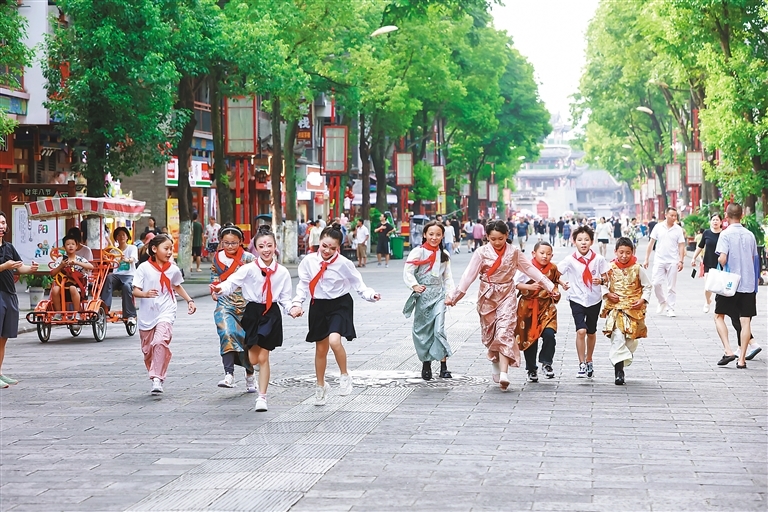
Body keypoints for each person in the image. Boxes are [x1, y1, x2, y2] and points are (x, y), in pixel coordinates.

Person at [446, 221, 556, 391]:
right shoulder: (481, 253)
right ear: (487, 237)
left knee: (505, 330)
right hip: (487, 296)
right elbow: (469, 275)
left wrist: (549, 286)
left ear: (507, 235)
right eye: (493, 239)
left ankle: (504, 373)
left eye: (501, 238)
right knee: (490, 334)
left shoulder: (514, 252)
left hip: (507, 294)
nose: (497, 242)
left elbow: (530, 270)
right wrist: (455, 296)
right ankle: (495, 364)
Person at [290, 224, 381, 406]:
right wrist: (296, 303)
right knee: (321, 349)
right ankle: (320, 386)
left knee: (334, 340)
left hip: (340, 304)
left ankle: (345, 375)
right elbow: (303, 285)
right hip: (318, 305)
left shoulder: (344, 264)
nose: (327, 251)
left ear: (338, 247)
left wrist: (370, 295)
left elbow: (358, 284)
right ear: (319, 242)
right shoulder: (308, 262)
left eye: (332, 248)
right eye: (324, 246)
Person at [211, 226, 292, 412]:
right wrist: (219, 288)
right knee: (254, 358)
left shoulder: (283, 272)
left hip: (271, 314)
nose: (266, 249)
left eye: (269, 245)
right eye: (262, 246)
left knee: (264, 357)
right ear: (255, 247)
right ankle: (249, 369)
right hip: (252, 312)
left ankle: (262, 398)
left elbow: (285, 298)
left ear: (275, 246)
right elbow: (232, 283)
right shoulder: (249, 268)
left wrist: (292, 309)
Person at [132, 234, 196, 394]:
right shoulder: (143, 268)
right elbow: (135, 290)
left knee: (159, 341)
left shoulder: (173, 269)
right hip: (147, 315)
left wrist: (189, 300)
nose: (169, 252)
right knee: (148, 351)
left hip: (166, 310)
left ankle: (157, 378)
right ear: (154, 249)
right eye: (166, 248)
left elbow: (177, 286)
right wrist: (145, 294)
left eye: (171, 249)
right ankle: (154, 373)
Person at [208, 224, 257, 392]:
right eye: (226, 243)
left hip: (246, 304)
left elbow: (258, 279)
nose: (230, 246)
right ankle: (229, 374)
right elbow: (215, 276)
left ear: (241, 242)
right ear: (221, 242)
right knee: (226, 333)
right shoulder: (217, 258)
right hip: (225, 302)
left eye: (234, 243)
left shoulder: (249, 259)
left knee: (245, 339)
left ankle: (250, 374)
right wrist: (214, 289)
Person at [403, 221, 455, 380]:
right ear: (425, 234)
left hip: (438, 296)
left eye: (438, 234)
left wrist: (449, 294)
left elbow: (447, 277)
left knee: (439, 329)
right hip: (423, 296)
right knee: (423, 331)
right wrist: (414, 285)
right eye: (431, 234)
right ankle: (426, 363)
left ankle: (443, 366)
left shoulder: (444, 254)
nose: (434, 237)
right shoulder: (417, 252)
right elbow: (408, 271)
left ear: (442, 236)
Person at [557, 225, 610, 378]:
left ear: (592, 241)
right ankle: (581, 362)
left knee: (591, 332)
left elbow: (608, 276)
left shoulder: (598, 259)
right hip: (576, 299)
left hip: (594, 299)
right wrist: (562, 283)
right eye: (580, 240)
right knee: (581, 331)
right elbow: (556, 273)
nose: (583, 243)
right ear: (574, 241)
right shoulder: (570, 260)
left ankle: (589, 359)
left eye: (586, 239)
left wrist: (601, 280)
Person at [713, 203, 759, 369]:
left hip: (730, 284)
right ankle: (742, 360)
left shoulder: (725, 235)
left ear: (726, 215)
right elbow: (755, 261)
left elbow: (722, 259)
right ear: (742, 215)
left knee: (719, 316)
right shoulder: (750, 235)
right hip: (748, 284)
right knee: (745, 321)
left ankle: (728, 350)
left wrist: (720, 260)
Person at [601, 237, 651, 385]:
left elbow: (648, 286)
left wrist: (642, 300)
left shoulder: (638, 268)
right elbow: (602, 284)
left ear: (632, 252)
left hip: (633, 309)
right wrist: (608, 294)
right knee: (617, 336)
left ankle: (622, 359)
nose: (624, 256)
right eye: (621, 252)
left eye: (627, 253)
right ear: (615, 251)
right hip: (616, 308)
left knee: (631, 339)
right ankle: (619, 371)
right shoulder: (609, 268)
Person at [0, 211, 39, 388]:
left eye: (3, 222)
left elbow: (19, 267)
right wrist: (4, 266)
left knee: (4, 337)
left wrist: (30, 269)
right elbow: (8, 267)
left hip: (10, 294)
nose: (1, 226)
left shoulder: (8, 247)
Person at [515, 241, 563, 382]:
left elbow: (555, 284)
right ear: (533, 253)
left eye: (548, 254)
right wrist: (530, 288)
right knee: (530, 339)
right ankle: (531, 369)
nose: (545, 256)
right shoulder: (526, 267)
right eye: (542, 253)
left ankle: (546, 362)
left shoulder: (553, 268)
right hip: (527, 307)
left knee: (549, 334)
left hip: (547, 307)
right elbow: (515, 284)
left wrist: (556, 294)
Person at [643, 207, 685, 317]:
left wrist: (681, 260)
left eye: (675, 216)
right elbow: (651, 243)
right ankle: (662, 301)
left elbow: (681, 245)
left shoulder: (678, 229)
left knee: (671, 286)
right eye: (672, 215)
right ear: (666, 215)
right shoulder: (658, 227)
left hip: (673, 261)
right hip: (659, 260)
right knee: (656, 283)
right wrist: (646, 258)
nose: (674, 218)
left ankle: (670, 308)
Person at [50, 235, 95, 320]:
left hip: (78, 288)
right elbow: (52, 273)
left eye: (73, 244)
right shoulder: (60, 260)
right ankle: (58, 313)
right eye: (68, 244)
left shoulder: (80, 259)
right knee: (55, 289)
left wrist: (77, 263)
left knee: (72, 288)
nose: (70, 246)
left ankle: (76, 313)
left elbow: (91, 267)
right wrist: (61, 266)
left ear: (76, 246)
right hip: (62, 288)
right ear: (64, 247)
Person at [100, 227, 137, 325]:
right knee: (108, 278)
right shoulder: (114, 251)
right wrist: (106, 259)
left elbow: (133, 259)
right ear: (116, 238)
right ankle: (105, 308)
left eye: (123, 235)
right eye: (119, 235)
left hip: (129, 275)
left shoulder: (132, 248)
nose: (121, 237)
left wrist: (127, 259)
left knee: (126, 287)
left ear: (127, 236)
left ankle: (130, 315)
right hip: (117, 276)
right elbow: (111, 264)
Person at [691, 213, 723, 313]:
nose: (715, 222)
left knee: (719, 287)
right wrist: (693, 258)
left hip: (720, 263)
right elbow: (700, 246)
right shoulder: (706, 233)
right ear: (710, 221)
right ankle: (707, 301)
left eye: (717, 220)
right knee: (707, 286)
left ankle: (720, 305)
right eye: (713, 220)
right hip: (708, 262)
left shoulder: (724, 234)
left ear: (721, 222)